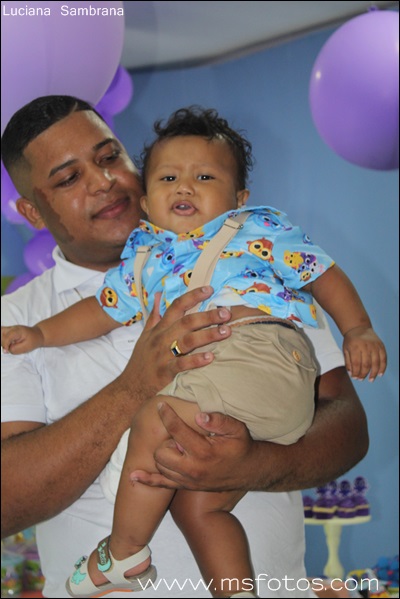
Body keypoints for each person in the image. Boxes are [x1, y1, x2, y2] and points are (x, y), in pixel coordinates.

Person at [1, 107, 386, 599]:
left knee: (165, 437)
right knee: (182, 478)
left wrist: (253, 464)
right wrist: (131, 387)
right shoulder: (17, 320)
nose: (103, 181)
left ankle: (123, 553)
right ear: (32, 211)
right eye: (69, 178)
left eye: (109, 156)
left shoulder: (253, 265)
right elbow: (8, 499)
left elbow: (348, 428)